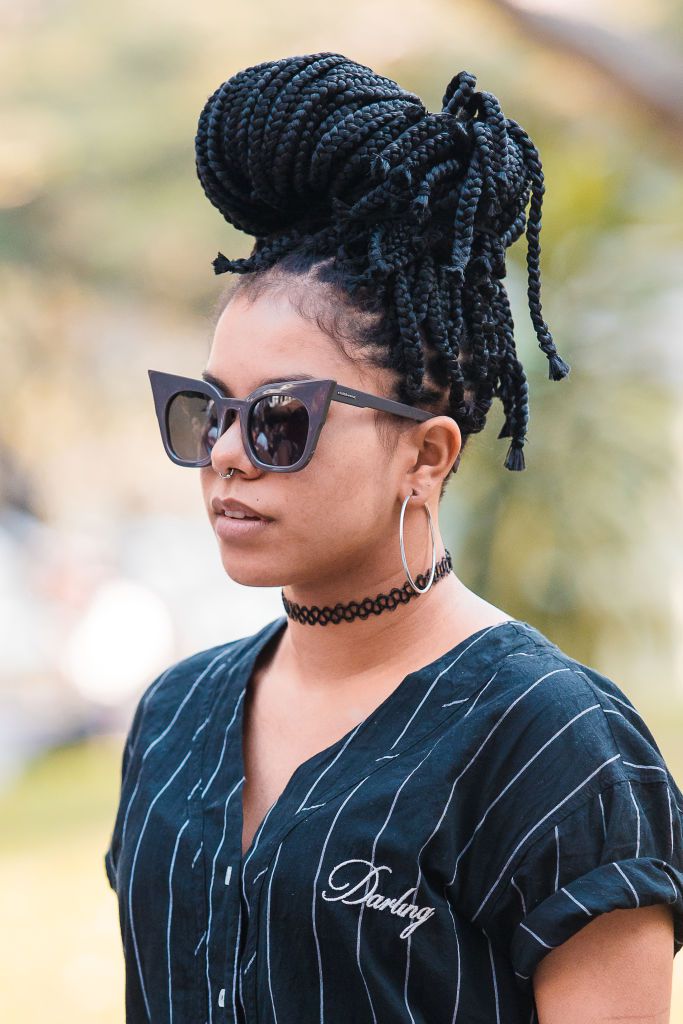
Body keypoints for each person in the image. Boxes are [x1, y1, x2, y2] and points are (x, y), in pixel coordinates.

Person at [105, 53, 683, 1024]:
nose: (228, 456)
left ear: (425, 453)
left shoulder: (553, 747)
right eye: (206, 411)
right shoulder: (174, 719)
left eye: (281, 420)